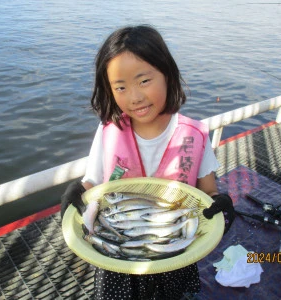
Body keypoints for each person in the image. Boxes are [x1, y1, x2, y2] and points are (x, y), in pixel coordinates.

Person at [61, 25, 235, 300]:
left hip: (174, 253)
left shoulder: (194, 134)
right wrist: (78, 191)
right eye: (121, 87)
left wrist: (220, 201)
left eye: (144, 81)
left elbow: (208, 192)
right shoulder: (109, 131)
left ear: (167, 74)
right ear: (110, 89)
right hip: (119, 257)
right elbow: (91, 183)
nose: (135, 97)